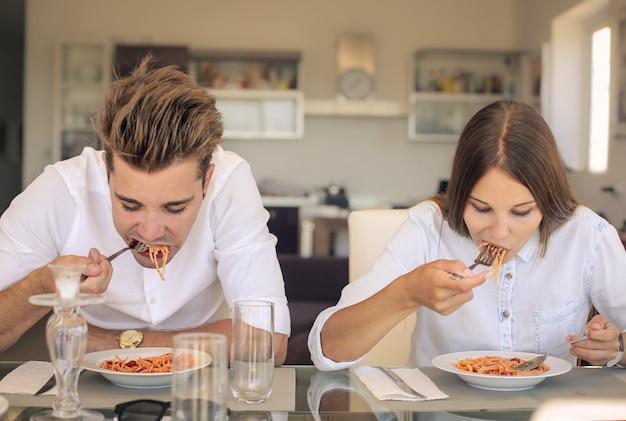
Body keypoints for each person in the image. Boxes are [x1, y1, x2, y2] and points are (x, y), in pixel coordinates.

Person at [0, 55, 290, 364]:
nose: (150, 233)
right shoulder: (61, 189)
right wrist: (45, 283)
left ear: (206, 181)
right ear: (106, 170)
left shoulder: (229, 182)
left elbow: (269, 340)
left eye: (175, 207)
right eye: (129, 204)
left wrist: (120, 343)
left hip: (203, 385)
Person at [309, 100, 626, 370]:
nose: (499, 232)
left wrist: (618, 346)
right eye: (480, 208)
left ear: (548, 201)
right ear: (459, 196)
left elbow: (621, 340)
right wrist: (407, 293)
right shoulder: (430, 227)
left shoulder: (587, 235)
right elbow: (327, 352)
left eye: (521, 212)